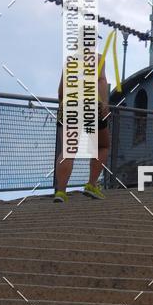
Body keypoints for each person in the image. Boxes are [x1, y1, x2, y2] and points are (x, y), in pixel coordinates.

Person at [54, 52, 110, 203]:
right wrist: (104, 103)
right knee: (102, 145)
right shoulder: (98, 58)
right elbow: (101, 80)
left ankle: (60, 192)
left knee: (68, 150)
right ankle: (91, 185)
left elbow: (61, 91)